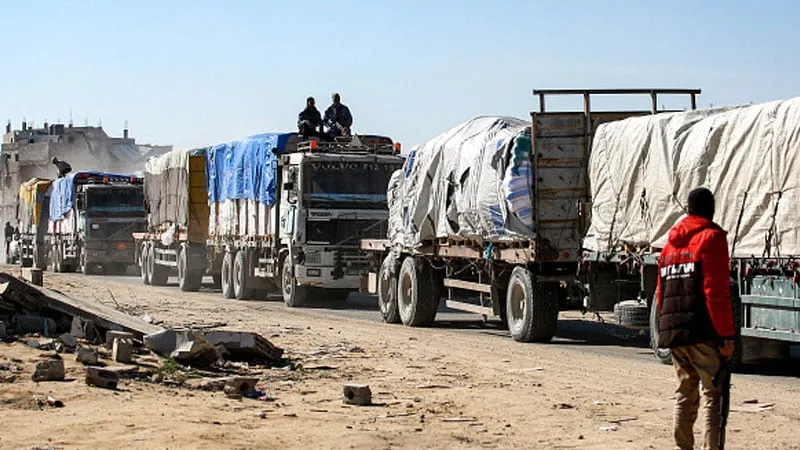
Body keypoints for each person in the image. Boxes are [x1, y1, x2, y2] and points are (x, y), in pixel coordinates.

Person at [656, 187, 736, 450]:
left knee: (684, 394)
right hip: (703, 331)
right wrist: (726, 336)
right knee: (713, 394)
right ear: (711, 210)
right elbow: (716, 293)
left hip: (675, 332)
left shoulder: (668, 247)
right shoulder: (712, 238)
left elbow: (661, 293)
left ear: (688, 210)